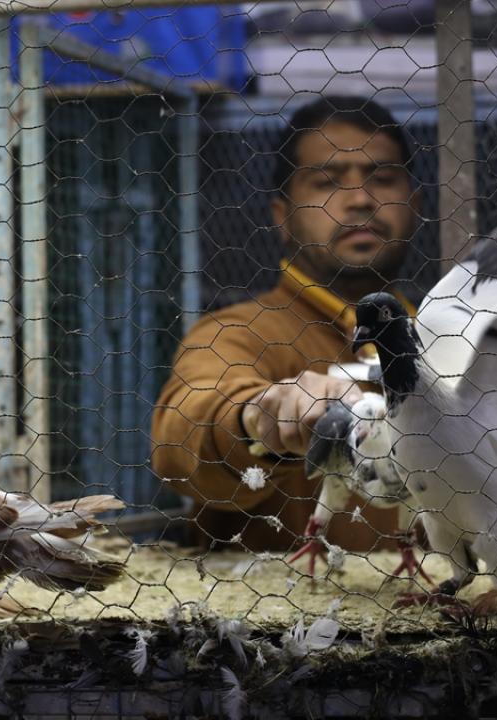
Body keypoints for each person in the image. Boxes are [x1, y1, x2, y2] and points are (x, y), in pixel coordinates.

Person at [151, 95, 422, 552]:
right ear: (282, 215)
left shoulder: (446, 340)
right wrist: (258, 416)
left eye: (383, 178)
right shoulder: (235, 333)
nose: (359, 199)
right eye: (326, 182)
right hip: (288, 618)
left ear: (415, 204)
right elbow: (181, 437)